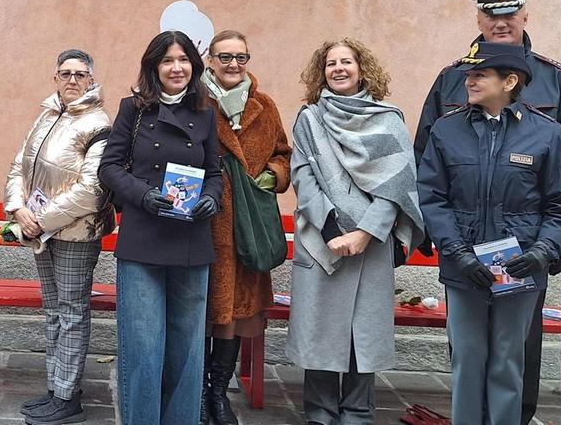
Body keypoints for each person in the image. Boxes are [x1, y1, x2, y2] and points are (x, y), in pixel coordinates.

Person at [414, 0, 561, 424]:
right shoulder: (451, 82)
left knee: (514, 355)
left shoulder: (557, 83)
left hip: (525, 254)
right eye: (490, 13)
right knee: (467, 356)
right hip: (465, 255)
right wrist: (449, 247)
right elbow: (427, 167)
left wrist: (549, 250)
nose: (499, 21)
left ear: (524, 14)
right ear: (479, 17)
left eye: (508, 13)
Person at [287, 38, 423, 425]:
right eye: (330, 63)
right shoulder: (309, 118)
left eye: (346, 61)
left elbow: (398, 184)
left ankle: (358, 412)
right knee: (321, 329)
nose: (338, 69)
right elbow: (303, 174)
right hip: (321, 240)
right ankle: (320, 411)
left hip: (372, 243)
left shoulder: (388, 118)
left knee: (363, 332)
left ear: (362, 68)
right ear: (322, 72)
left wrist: (365, 232)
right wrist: (330, 228)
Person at [98, 30, 223, 425]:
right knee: (144, 346)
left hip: (191, 240)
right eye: (168, 60)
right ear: (154, 66)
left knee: (187, 349)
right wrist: (144, 195)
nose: (176, 68)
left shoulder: (206, 111)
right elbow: (110, 167)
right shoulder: (132, 109)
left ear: (194, 66)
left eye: (183, 60)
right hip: (143, 240)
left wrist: (211, 198)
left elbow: (215, 172)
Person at [3, 48, 115, 425]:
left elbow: (91, 190)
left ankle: (68, 398)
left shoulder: (98, 123)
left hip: (75, 234)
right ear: (55, 78)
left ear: (91, 80)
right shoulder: (47, 114)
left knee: (70, 313)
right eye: (65, 73)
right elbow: (20, 164)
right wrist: (18, 208)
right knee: (53, 311)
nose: (72, 80)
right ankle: (57, 388)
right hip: (40, 229)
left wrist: (39, 220)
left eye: (80, 74)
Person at [201, 30, 291, 425]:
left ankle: (217, 394)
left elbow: (282, 153)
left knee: (234, 313)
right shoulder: (194, 100)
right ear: (210, 59)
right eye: (225, 57)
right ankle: (195, 391)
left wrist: (272, 176)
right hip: (203, 224)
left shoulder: (264, 105)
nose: (234, 65)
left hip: (247, 229)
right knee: (201, 310)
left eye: (241, 57)